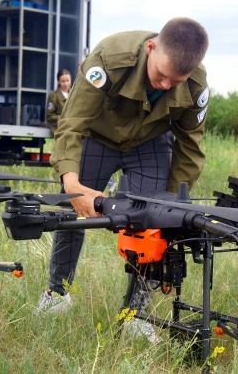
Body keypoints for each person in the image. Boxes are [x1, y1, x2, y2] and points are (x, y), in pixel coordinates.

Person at [38, 18, 210, 340]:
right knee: (70, 214)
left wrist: (169, 208)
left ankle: (135, 313)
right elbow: (72, 124)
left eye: (176, 81)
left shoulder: (196, 85)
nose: (165, 86)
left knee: (153, 224)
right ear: (151, 48)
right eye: (161, 75)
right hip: (98, 137)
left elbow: (190, 147)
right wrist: (72, 185)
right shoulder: (108, 59)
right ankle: (57, 294)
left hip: (150, 144)